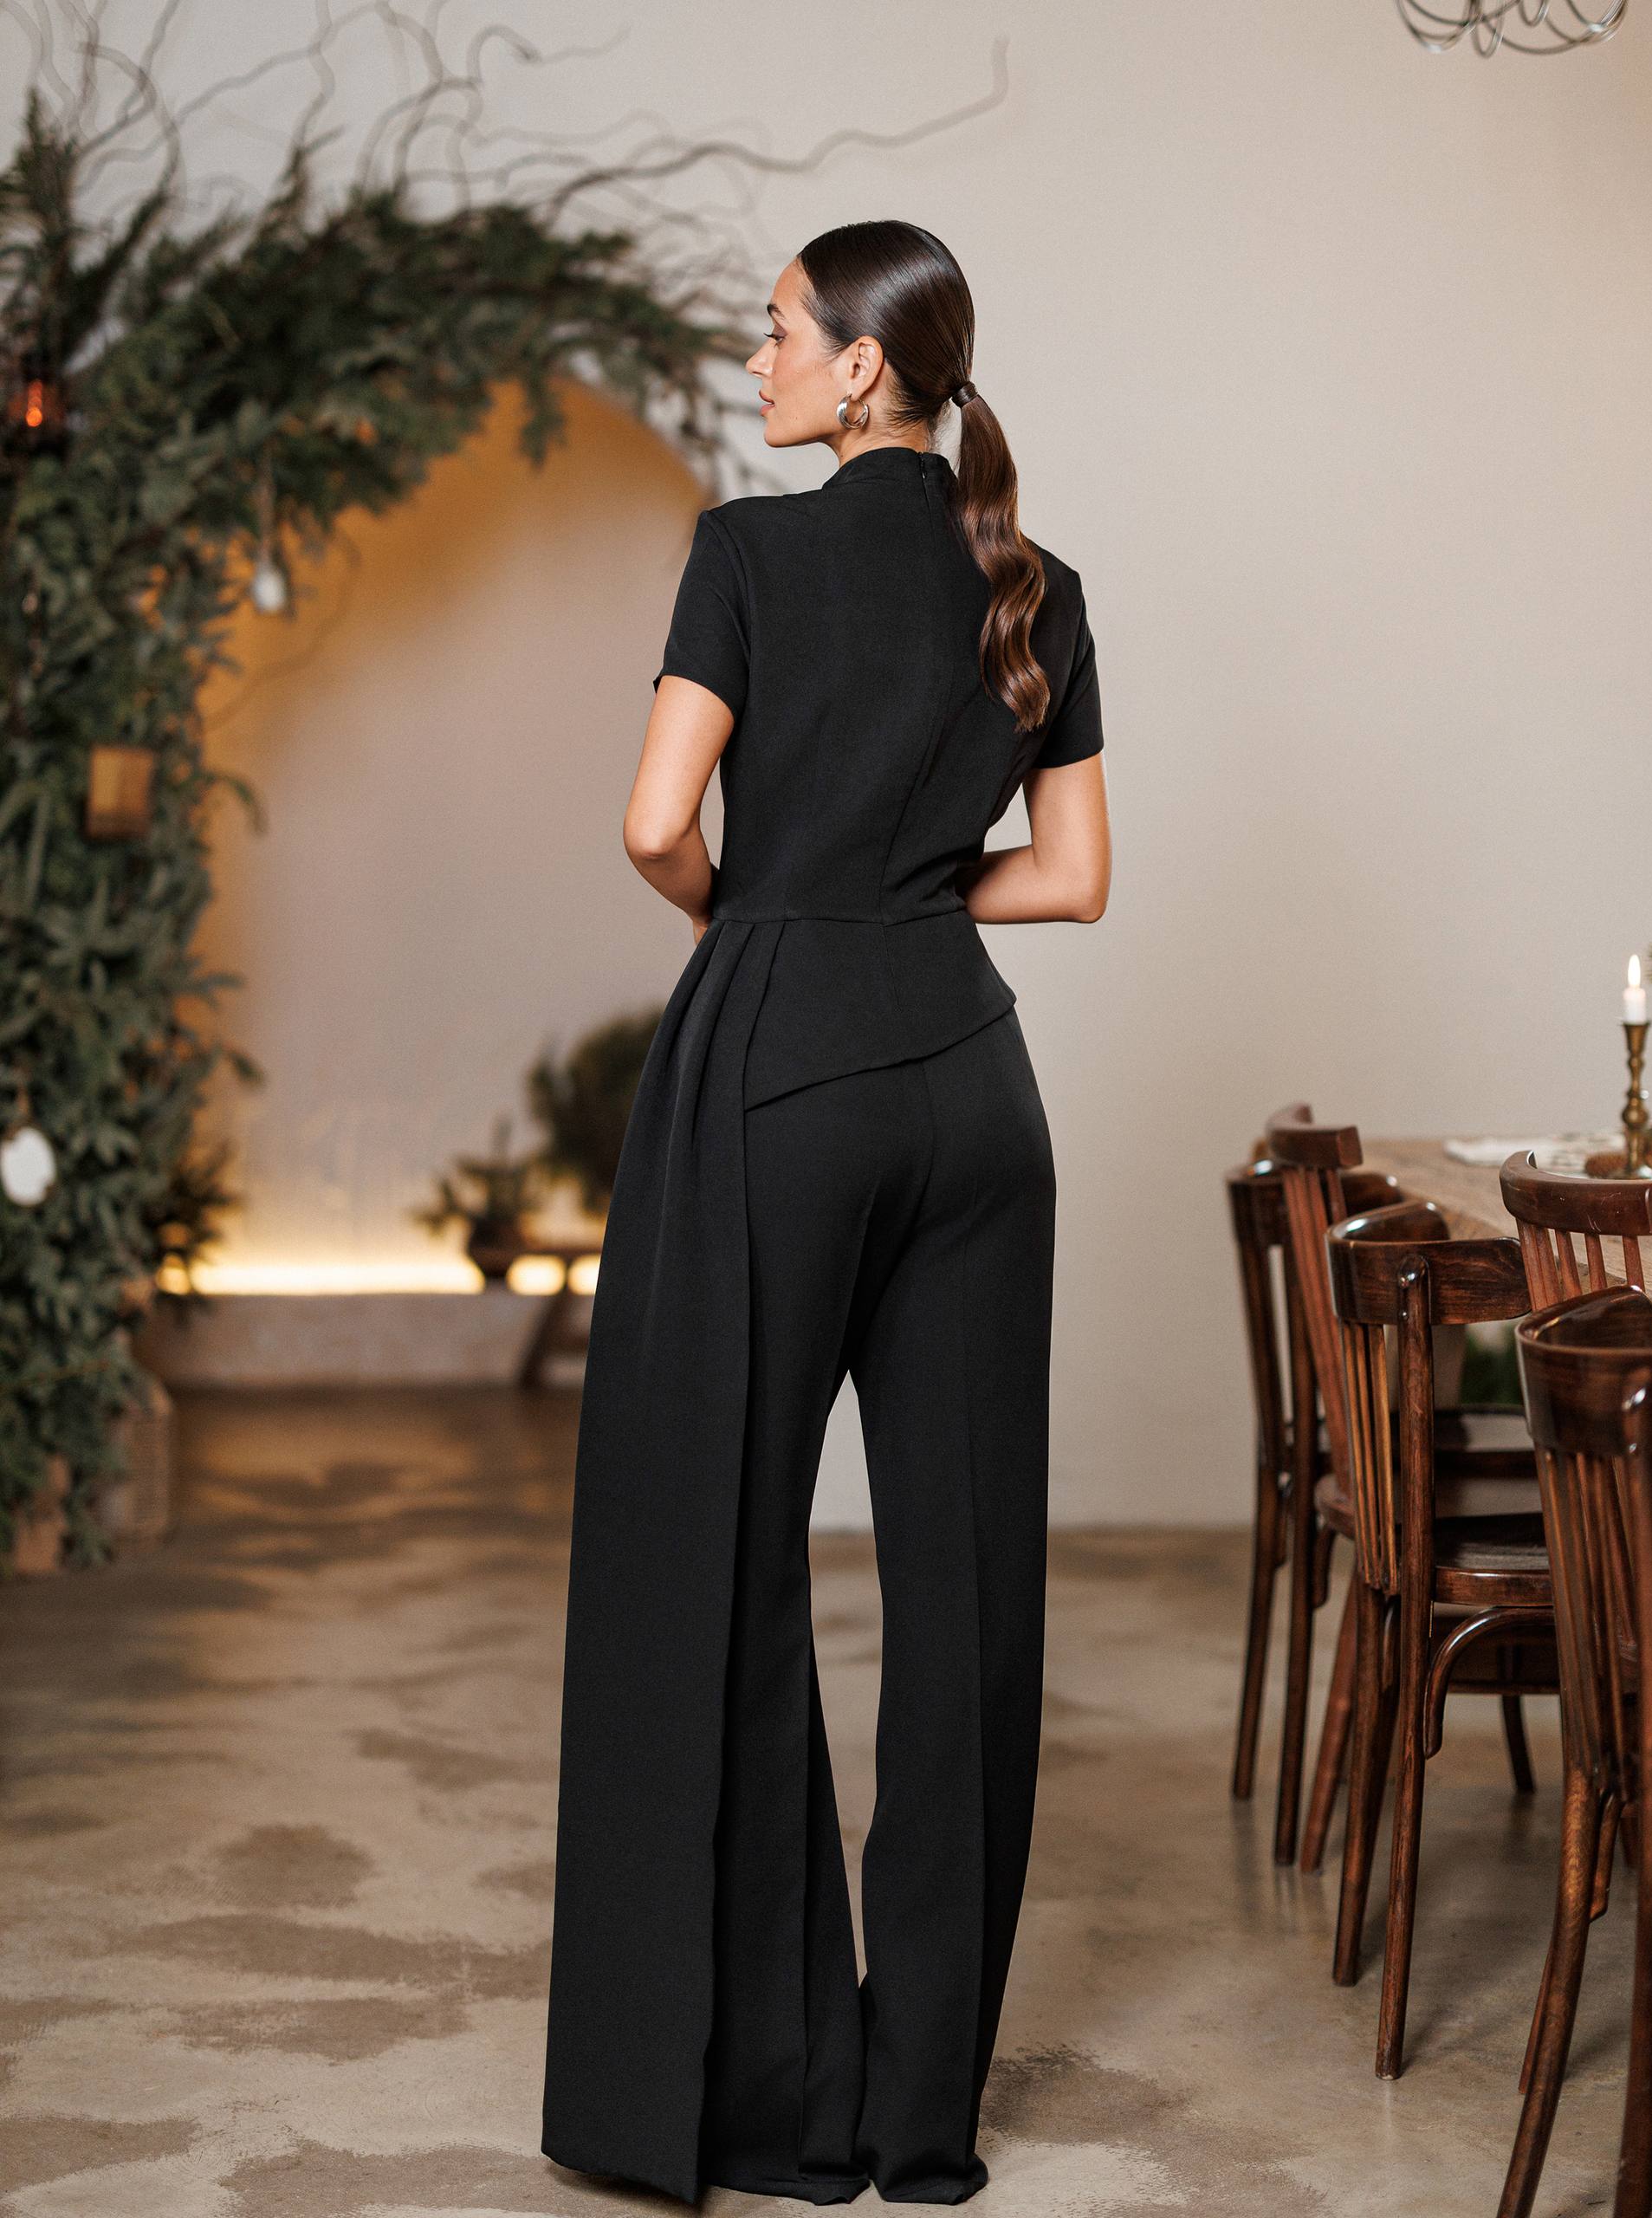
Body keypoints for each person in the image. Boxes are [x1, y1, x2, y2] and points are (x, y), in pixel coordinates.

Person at [542, 217, 1111, 2208]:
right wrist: (904, 918)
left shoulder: (747, 551)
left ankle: (770, 2097)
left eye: (781, 328)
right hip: (976, 1087)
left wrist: (777, 917)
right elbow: (1073, 876)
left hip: (782, 1069)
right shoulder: (1029, 581)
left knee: (716, 1548)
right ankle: (920, 2113)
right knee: (964, 1594)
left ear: (866, 369)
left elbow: (648, 822)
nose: (759, 351)